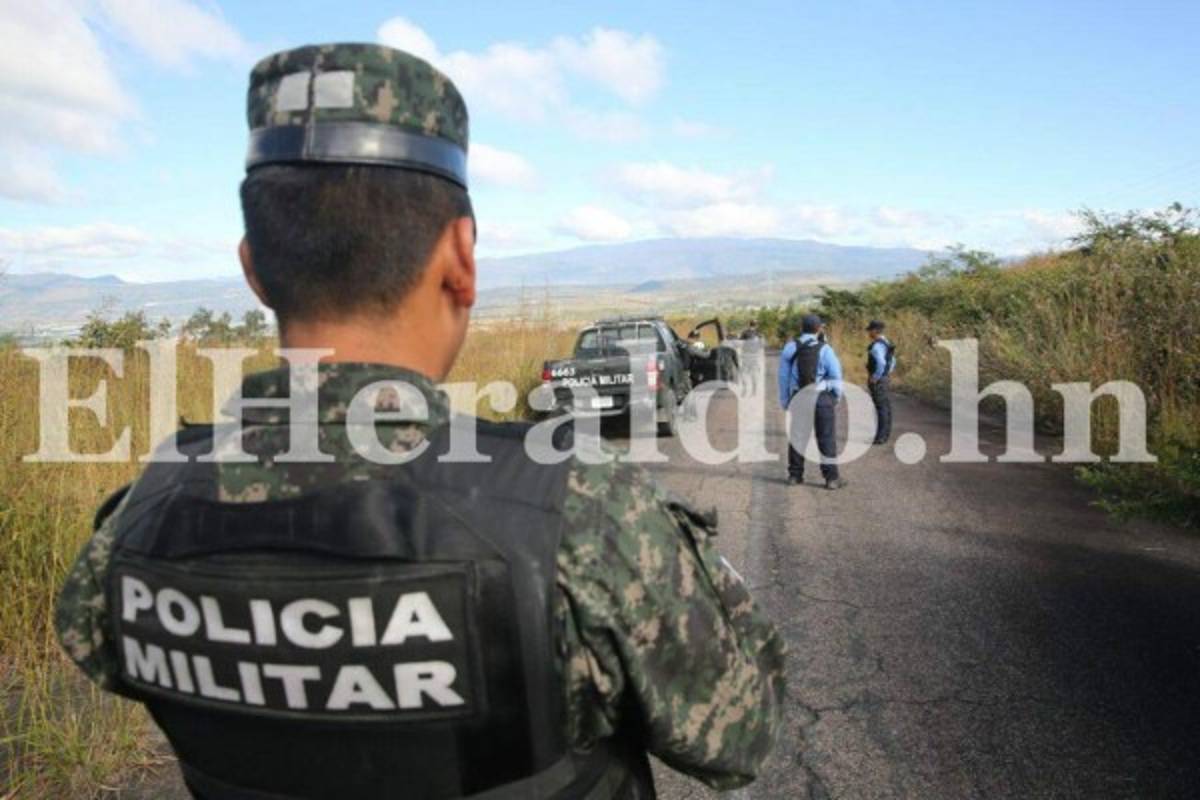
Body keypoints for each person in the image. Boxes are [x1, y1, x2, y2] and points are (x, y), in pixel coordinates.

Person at [54, 44, 785, 800]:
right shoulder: (579, 515)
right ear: (461, 258)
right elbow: (739, 737)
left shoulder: (141, 522)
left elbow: (97, 649)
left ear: (255, 270)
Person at [778, 314, 847, 490]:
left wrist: (786, 400)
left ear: (801, 328)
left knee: (797, 437)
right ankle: (831, 479)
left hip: (799, 397)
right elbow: (836, 376)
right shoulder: (825, 349)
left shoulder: (790, 348)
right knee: (826, 438)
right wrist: (835, 397)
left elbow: (783, 377)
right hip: (821, 398)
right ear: (819, 329)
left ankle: (795, 475)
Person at [866, 319, 896, 445]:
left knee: (881, 408)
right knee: (885, 407)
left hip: (879, 380)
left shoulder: (877, 346)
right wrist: (887, 373)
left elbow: (882, 362)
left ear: (874, 331)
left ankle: (881, 437)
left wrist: (876, 376)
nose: (868, 333)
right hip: (885, 378)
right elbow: (893, 360)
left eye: (870, 330)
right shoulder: (886, 342)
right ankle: (885, 434)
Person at [738, 320, 763, 397]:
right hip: (754, 356)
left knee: (743, 373)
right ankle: (754, 392)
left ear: (749, 324)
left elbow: (740, 343)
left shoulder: (744, 333)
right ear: (756, 325)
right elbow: (761, 346)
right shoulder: (759, 334)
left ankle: (745, 389)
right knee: (754, 374)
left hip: (746, 356)